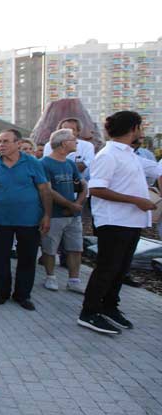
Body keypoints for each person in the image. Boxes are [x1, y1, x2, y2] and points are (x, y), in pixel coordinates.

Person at [79, 111, 162, 334]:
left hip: (132, 222)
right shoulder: (108, 155)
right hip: (114, 222)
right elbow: (96, 189)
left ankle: (109, 307)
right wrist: (136, 200)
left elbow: (157, 169)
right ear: (133, 128)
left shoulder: (130, 154)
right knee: (107, 268)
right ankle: (89, 313)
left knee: (120, 269)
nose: (143, 132)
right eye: (141, 127)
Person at [0, 128, 51, 311]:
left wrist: (46, 215)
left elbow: (44, 190)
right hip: (0, 221)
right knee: (0, 259)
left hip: (29, 221)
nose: (1, 145)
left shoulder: (32, 163)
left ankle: (22, 295)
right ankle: (1, 293)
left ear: (18, 144)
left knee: (27, 259)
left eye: (5, 141)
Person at [40, 129, 86, 293]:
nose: (76, 142)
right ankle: (50, 277)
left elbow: (83, 185)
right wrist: (69, 205)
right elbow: (47, 190)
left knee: (76, 248)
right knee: (50, 248)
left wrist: (78, 204)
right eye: (73, 139)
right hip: (54, 214)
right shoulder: (44, 164)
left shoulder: (70, 163)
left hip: (74, 215)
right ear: (63, 143)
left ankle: (74, 280)